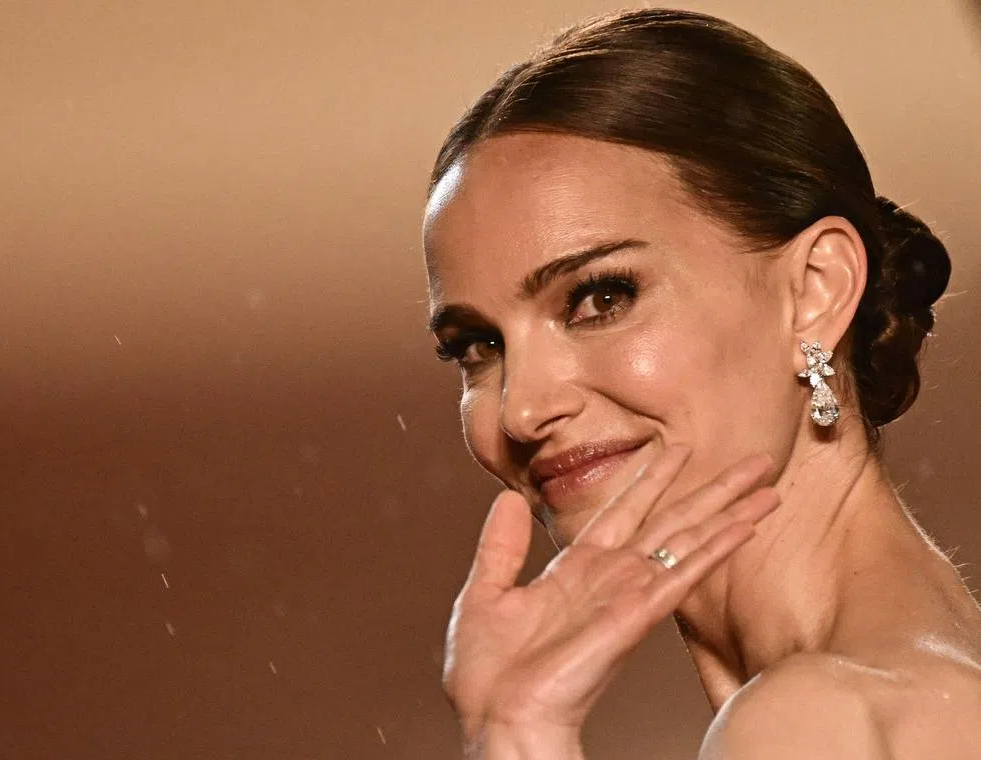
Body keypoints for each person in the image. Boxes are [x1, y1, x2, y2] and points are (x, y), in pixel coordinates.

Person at [420, 8, 981, 759]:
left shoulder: (811, 722)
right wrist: (517, 730)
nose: (521, 409)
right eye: (479, 346)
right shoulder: (919, 688)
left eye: (601, 298)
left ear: (814, 290)